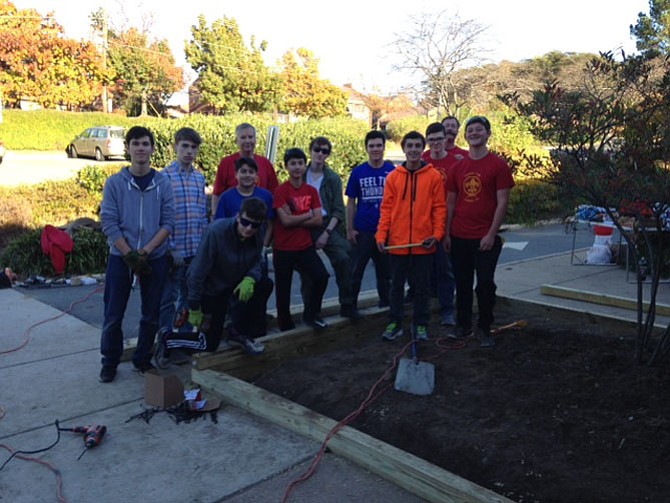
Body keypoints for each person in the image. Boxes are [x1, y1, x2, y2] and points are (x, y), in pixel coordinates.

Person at [99, 126, 175, 383]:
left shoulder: (163, 183)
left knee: (150, 313)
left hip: (154, 257)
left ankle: (142, 358)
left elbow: (168, 222)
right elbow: (108, 221)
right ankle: (109, 361)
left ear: (153, 149)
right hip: (120, 257)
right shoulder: (115, 183)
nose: (141, 148)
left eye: (145, 143)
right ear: (128, 149)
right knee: (113, 313)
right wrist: (129, 253)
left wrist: (145, 251)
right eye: (135, 144)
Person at [155, 197, 273, 359]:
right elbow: (196, 273)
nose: (248, 228)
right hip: (210, 290)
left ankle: (238, 332)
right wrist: (194, 306)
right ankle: (168, 339)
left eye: (254, 225)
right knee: (209, 344)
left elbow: (257, 260)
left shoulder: (258, 232)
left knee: (264, 284)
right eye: (245, 222)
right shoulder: (216, 233)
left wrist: (250, 278)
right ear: (238, 216)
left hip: (234, 284)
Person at [445, 116, 515, 347]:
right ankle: (463, 324)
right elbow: (451, 203)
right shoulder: (458, 166)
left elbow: (502, 202)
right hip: (459, 235)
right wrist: (446, 234)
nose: (474, 133)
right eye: (470, 130)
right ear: (465, 135)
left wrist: (491, 234)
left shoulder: (498, 165)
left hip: (485, 237)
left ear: (487, 134)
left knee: (484, 283)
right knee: (462, 284)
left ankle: (484, 327)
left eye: (479, 130)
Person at [375, 131, 446, 342]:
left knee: (422, 288)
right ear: (404, 149)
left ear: (422, 149)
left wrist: (437, 234)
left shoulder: (434, 176)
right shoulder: (393, 177)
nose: (413, 150)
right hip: (397, 244)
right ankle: (395, 322)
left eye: (417, 146)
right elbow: (386, 209)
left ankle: (421, 325)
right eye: (410, 146)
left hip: (423, 244)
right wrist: (381, 235)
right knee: (396, 286)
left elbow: (439, 209)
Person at [302, 136, 360, 320]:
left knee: (343, 258)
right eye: (317, 150)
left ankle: (347, 304)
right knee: (308, 270)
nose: (320, 154)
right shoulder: (301, 175)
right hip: (304, 224)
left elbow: (338, 210)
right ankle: (311, 310)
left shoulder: (332, 178)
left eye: (324, 151)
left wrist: (327, 233)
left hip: (328, 224)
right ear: (310, 151)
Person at [158, 127, 208, 339]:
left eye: (193, 148)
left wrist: (204, 248)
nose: (189, 151)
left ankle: (185, 341)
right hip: (173, 252)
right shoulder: (163, 178)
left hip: (194, 251)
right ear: (175, 147)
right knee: (168, 299)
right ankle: (166, 341)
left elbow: (202, 215)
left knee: (189, 298)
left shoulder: (199, 178)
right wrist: (169, 247)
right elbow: (159, 217)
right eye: (185, 146)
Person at [273, 148, 329, 331]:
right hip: (283, 248)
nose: (297, 167)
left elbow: (319, 219)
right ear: (286, 167)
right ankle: (285, 325)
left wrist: (297, 217)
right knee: (283, 290)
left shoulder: (311, 191)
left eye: (300, 163)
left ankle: (311, 314)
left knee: (321, 277)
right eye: (293, 163)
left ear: (305, 166)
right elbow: (285, 221)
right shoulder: (281, 191)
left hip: (304, 246)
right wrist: (307, 215)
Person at [345, 130, 394, 310]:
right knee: (356, 272)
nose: (375, 149)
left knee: (385, 273)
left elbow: (398, 203)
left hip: (385, 231)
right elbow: (351, 203)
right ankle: (350, 308)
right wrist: (349, 229)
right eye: (371, 146)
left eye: (378, 145)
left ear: (384, 147)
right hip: (363, 231)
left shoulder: (392, 172)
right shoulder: (358, 172)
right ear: (366, 148)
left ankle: (386, 306)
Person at [422, 122, 456, 326]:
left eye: (439, 139)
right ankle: (422, 305)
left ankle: (447, 309)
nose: (435, 143)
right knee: (422, 268)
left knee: (444, 267)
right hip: (423, 223)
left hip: (444, 222)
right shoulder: (422, 160)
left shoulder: (456, 162)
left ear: (446, 140)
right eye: (431, 139)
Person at [210, 123, 279, 215]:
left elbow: (274, 193)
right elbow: (217, 193)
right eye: (243, 137)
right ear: (237, 141)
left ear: (255, 139)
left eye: (250, 137)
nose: (247, 141)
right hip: (233, 220)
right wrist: (215, 217)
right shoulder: (226, 163)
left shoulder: (265, 163)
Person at [214, 156, 274, 247]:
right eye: (243, 171)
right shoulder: (226, 197)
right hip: (232, 248)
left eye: (251, 172)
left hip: (257, 249)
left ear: (256, 175)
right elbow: (219, 227)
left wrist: (264, 246)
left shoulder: (266, 196)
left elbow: (271, 224)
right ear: (236, 174)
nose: (247, 175)